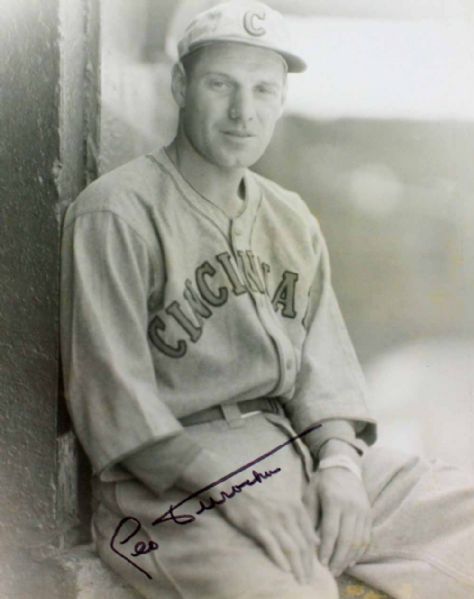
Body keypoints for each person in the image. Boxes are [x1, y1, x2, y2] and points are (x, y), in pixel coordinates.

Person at [60, 2, 474, 598]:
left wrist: (338, 464)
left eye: (262, 89)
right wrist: (234, 493)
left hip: (293, 451)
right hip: (167, 492)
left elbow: (324, 372)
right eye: (220, 84)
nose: (242, 111)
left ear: (280, 99)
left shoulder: (289, 217)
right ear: (180, 85)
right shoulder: (116, 212)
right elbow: (113, 405)